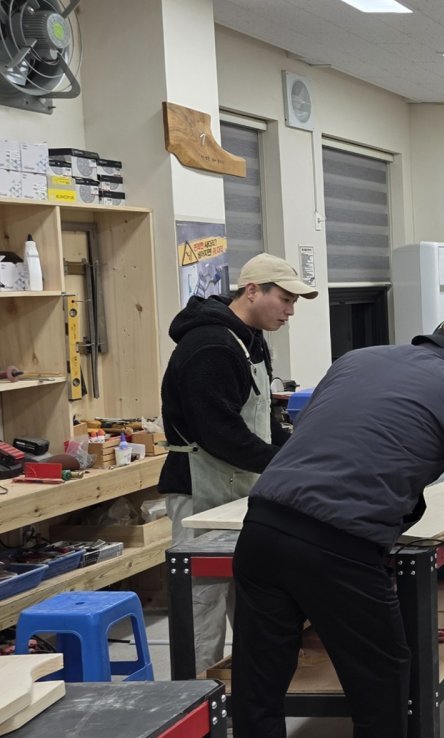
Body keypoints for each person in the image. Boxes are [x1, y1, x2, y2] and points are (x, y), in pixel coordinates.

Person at [231, 313, 444, 737]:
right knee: (380, 679)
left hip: (261, 527)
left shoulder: (355, 360)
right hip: (338, 545)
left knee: (259, 682)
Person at [158, 253, 316, 676]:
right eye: (284, 299)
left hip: (241, 488)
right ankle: (194, 705)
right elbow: (220, 433)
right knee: (202, 608)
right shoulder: (210, 345)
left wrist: (301, 452)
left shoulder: (250, 340)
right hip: (201, 492)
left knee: (252, 599)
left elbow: (262, 417)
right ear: (251, 291)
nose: (290, 310)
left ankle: (249, 696)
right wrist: (284, 466)